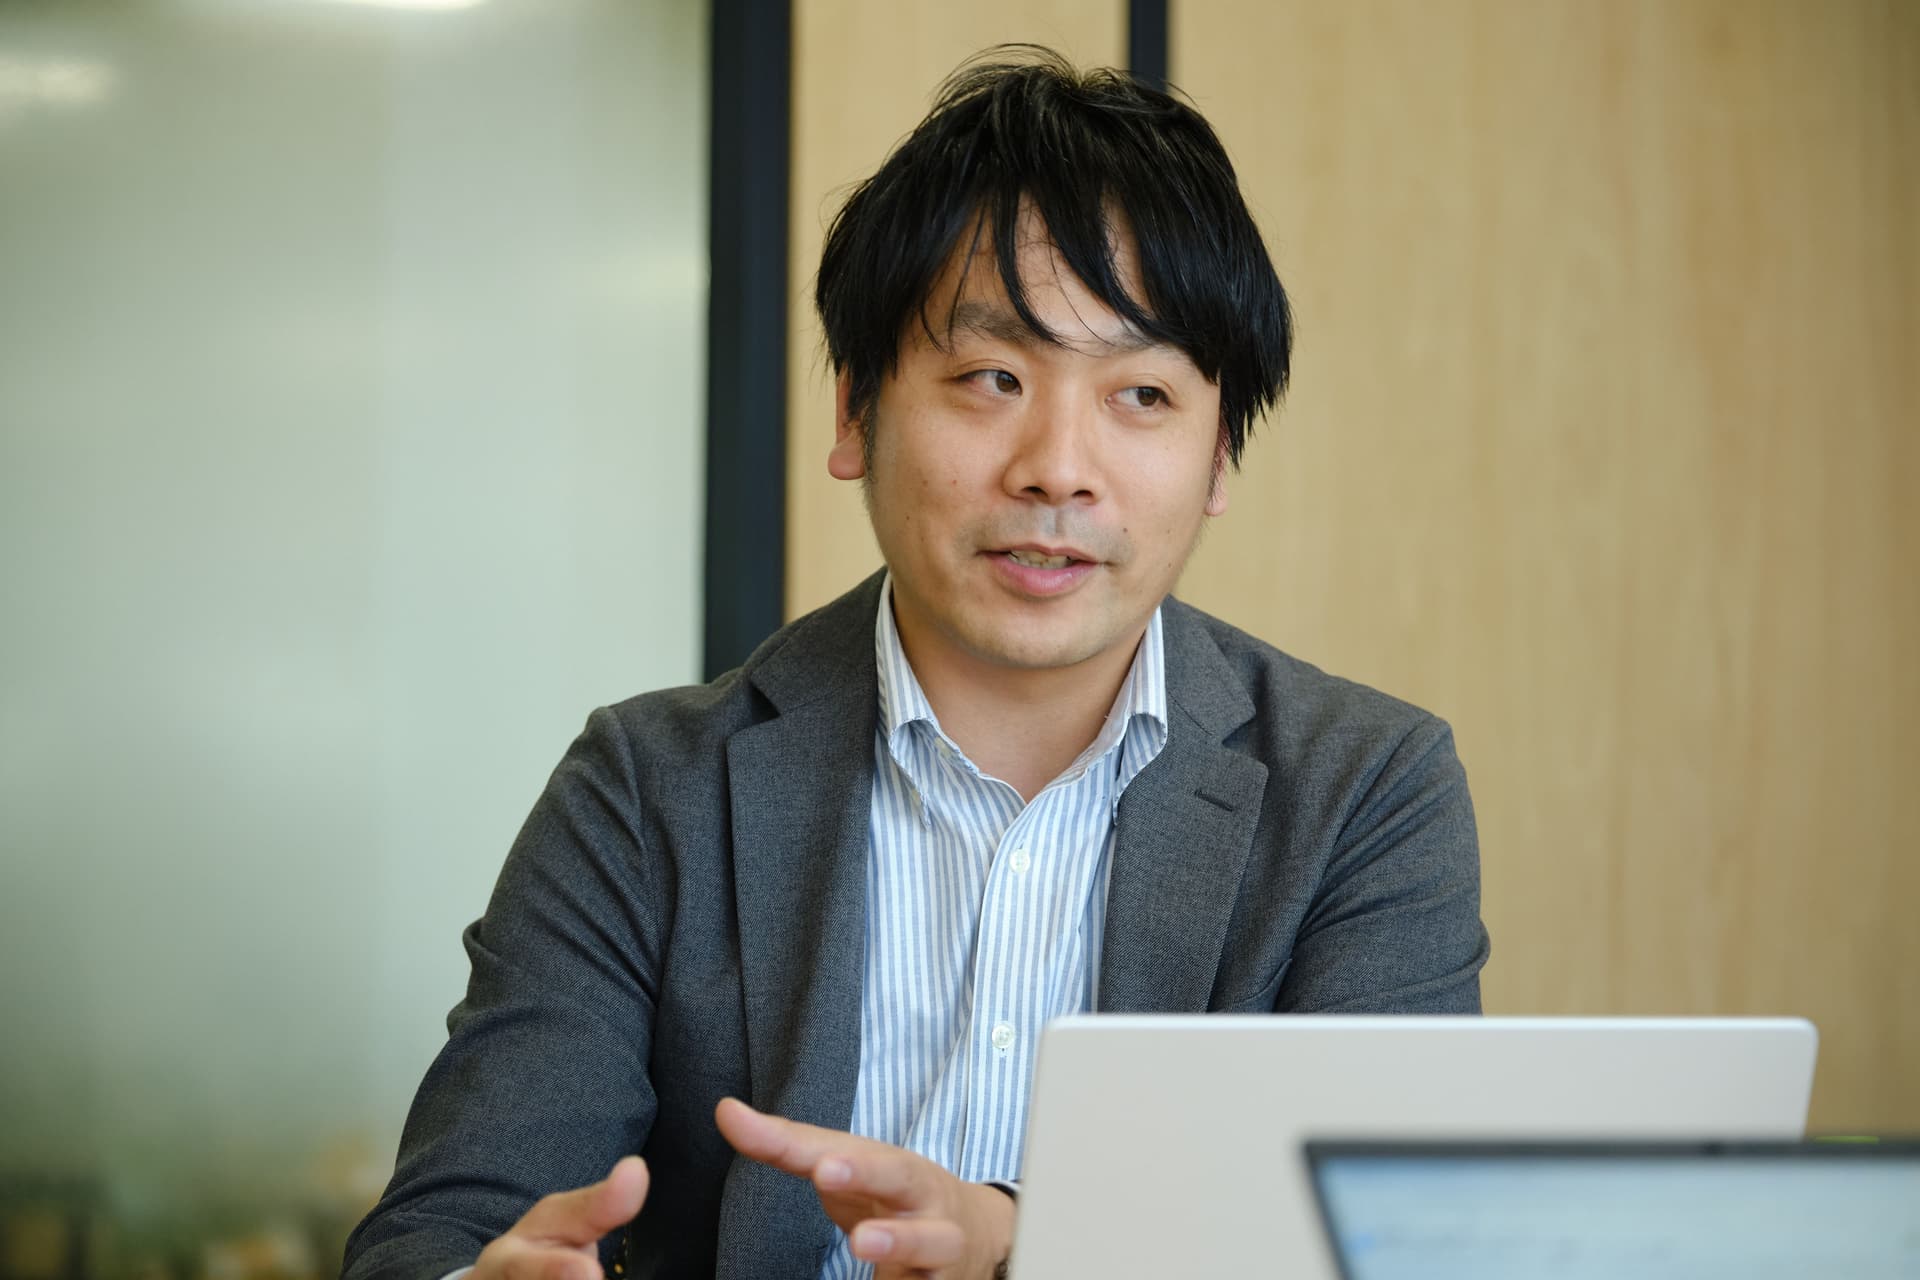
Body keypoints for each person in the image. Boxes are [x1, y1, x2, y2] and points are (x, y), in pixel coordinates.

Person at [342, 46, 1489, 1280]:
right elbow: (439, 1231)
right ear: (856, 410)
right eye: (993, 377)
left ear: (1219, 458)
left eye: (1142, 395)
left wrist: (1022, 1244)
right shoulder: (645, 788)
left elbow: (1398, 1244)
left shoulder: (1363, 790)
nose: (1058, 468)